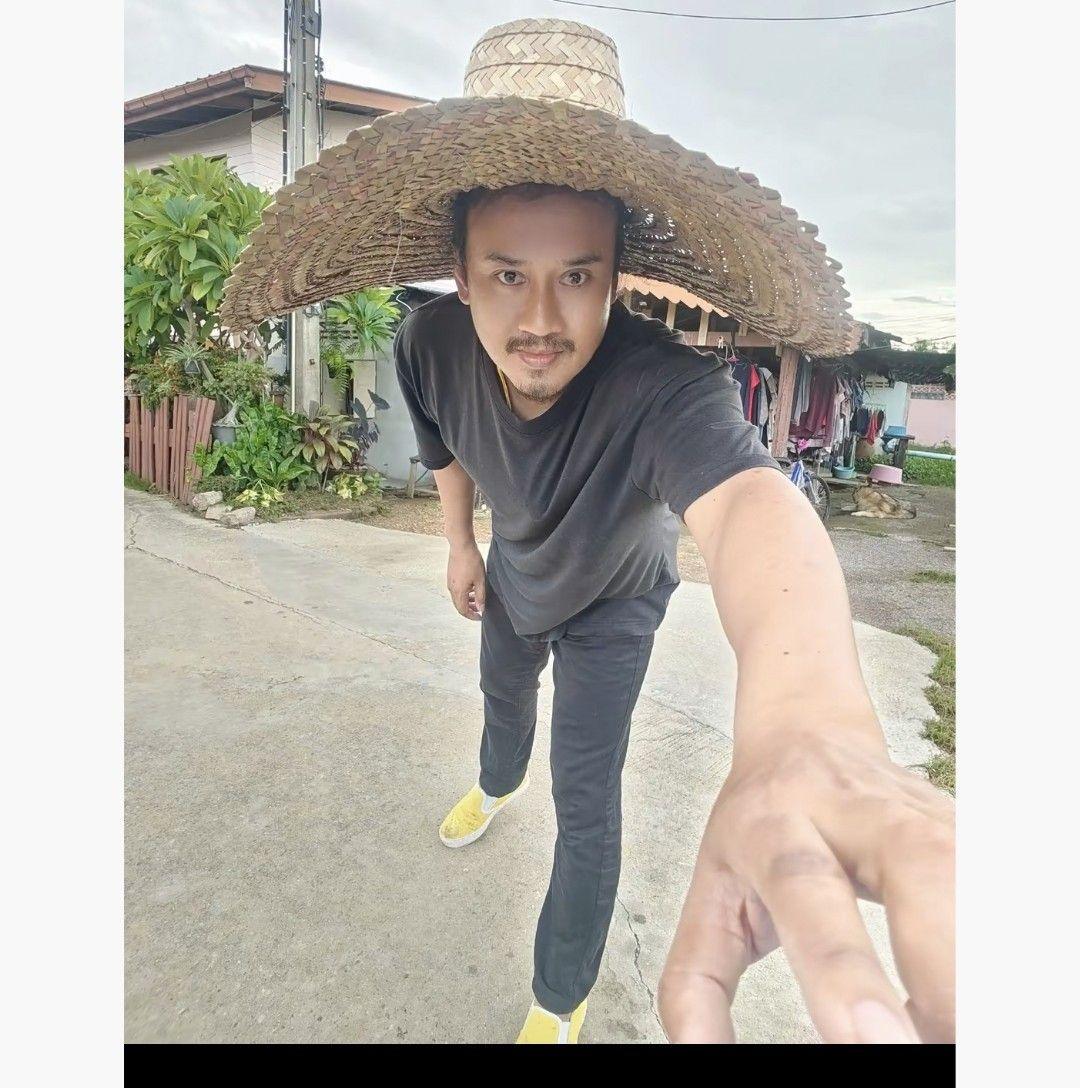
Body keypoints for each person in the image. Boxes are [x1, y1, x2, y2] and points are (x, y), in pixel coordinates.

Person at [221, 18, 955, 1045]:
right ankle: (495, 781)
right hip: (515, 575)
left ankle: (559, 997)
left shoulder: (668, 386)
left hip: (616, 604)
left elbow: (752, 504)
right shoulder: (427, 342)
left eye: (577, 275)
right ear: (461, 273)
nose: (540, 320)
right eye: (507, 274)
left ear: (617, 276)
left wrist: (810, 729)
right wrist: (459, 542)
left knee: (587, 798)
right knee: (501, 704)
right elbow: (441, 446)